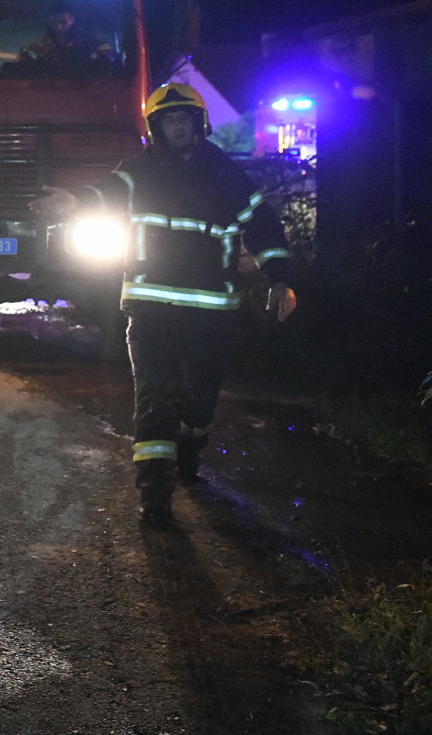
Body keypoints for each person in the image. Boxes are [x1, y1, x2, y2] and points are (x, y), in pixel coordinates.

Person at [31, 82, 297, 526]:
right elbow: (106, 191)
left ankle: (189, 453)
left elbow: (265, 227)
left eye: (184, 118)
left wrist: (281, 280)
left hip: (212, 312)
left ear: (200, 123)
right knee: (155, 396)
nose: (177, 126)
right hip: (151, 308)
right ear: (157, 127)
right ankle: (154, 493)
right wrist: (74, 200)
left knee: (199, 400)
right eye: (169, 119)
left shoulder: (227, 177)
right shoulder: (140, 171)